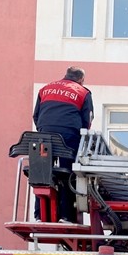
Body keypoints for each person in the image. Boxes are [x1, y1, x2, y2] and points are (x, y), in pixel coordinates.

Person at [32, 67, 93, 221]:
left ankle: (40, 215)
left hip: (44, 137)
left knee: (42, 172)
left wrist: (44, 130)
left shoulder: (45, 89)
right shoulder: (83, 92)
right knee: (69, 173)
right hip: (69, 137)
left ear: (65, 75)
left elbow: (36, 115)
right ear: (81, 80)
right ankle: (66, 216)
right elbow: (87, 121)